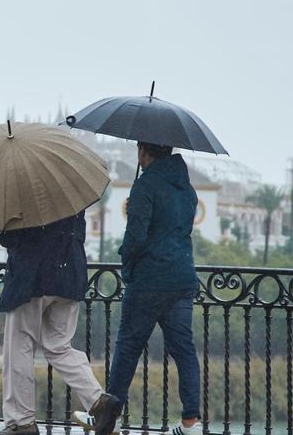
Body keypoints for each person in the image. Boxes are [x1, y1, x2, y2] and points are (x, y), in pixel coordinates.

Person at [74, 142, 203, 435]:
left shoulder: (146, 185)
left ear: (144, 151)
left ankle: (106, 421)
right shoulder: (187, 188)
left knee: (128, 347)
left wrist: (128, 266)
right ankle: (191, 423)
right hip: (182, 277)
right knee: (184, 349)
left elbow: (136, 237)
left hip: (149, 280)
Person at [0, 211, 120, 435]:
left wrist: (1, 229)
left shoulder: (22, 189)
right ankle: (99, 401)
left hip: (32, 277)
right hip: (70, 274)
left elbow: (10, 237)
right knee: (59, 347)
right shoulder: (70, 189)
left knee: (19, 346)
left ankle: (22, 422)